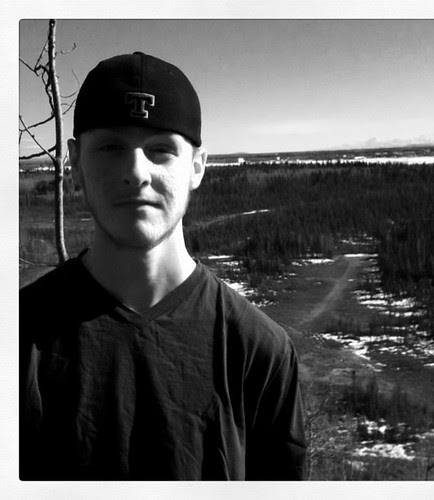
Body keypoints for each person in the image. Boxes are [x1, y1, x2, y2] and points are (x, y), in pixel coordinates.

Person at [19, 52, 307, 480]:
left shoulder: (257, 351)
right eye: (111, 147)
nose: (137, 172)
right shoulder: (19, 337)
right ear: (75, 163)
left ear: (197, 166)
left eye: (161, 150)